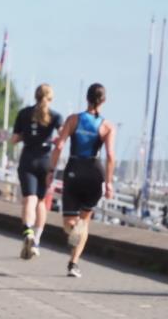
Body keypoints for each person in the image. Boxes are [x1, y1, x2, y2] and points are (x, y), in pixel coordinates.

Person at [49, 83, 116, 278]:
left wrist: (51, 171)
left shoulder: (73, 120)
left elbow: (59, 146)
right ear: (104, 101)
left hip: (74, 170)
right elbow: (111, 156)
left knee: (69, 223)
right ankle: (74, 263)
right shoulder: (107, 126)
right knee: (85, 220)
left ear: (86, 98)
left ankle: (73, 233)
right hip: (95, 173)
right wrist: (109, 183)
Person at [11, 84, 63, 259]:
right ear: (51, 98)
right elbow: (62, 138)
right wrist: (54, 141)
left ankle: (28, 232)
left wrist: (26, 135)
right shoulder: (55, 116)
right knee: (41, 201)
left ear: (35, 96)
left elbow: (14, 139)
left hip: (28, 160)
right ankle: (37, 241)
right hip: (45, 161)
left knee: (29, 199)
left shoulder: (24, 113)